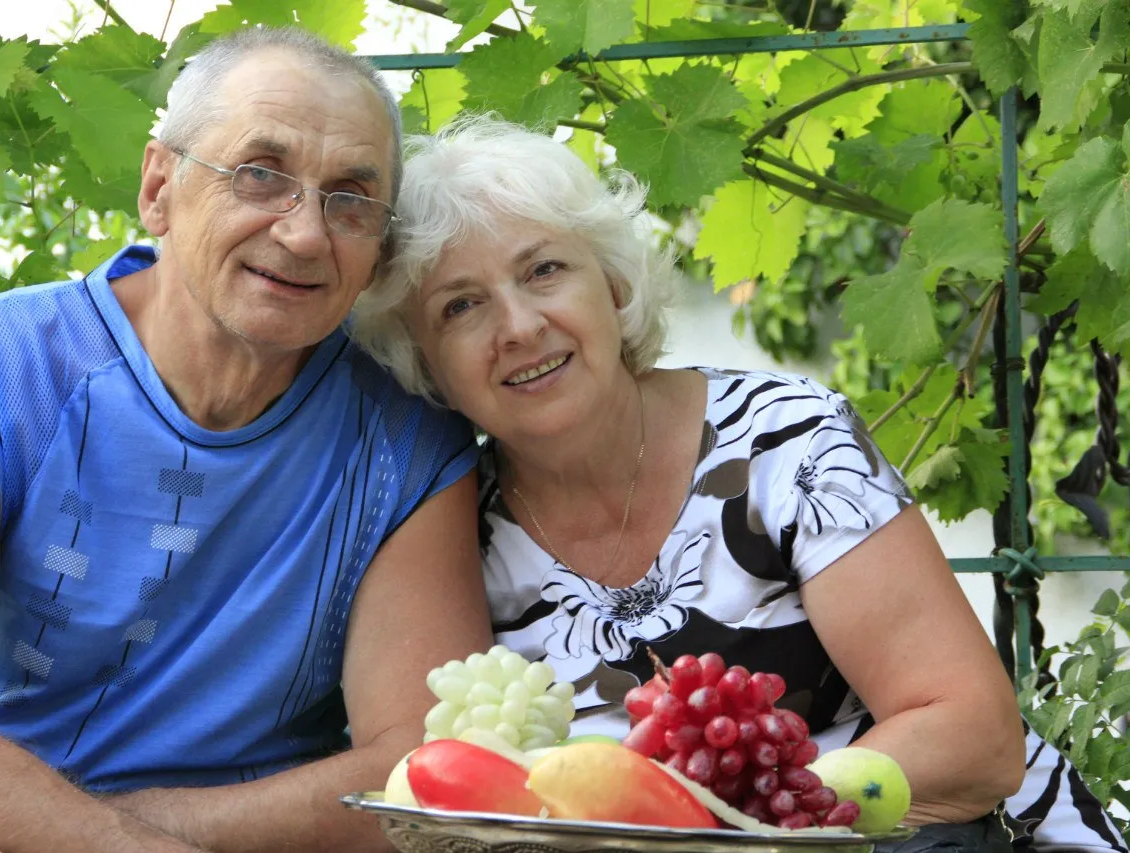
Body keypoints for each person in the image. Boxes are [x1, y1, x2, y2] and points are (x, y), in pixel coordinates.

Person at [350, 115, 1128, 853]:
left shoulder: (785, 441)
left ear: (614, 286)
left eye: (544, 269)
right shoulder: (449, 531)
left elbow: (972, 736)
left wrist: (718, 822)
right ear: (428, 365)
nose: (519, 325)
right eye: (461, 306)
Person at [0, 27, 492, 853]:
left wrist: (151, 835)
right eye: (260, 175)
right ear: (160, 186)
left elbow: (420, 772)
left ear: (376, 249)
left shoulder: (406, 440)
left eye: (350, 199)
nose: (304, 233)